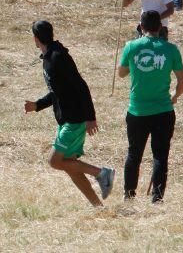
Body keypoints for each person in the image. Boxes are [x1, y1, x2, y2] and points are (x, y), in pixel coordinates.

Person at [23, 20, 115, 207]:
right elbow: (58, 91)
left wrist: (90, 117)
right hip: (66, 118)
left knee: (55, 161)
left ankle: (102, 173)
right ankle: (98, 207)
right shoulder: (49, 57)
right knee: (69, 165)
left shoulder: (58, 57)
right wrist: (37, 105)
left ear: (35, 38)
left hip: (75, 118)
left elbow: (81, 86)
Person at [117, 10, 183, 203]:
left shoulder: (131, 46)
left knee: (134, 153)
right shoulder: (171, 50)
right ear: (160, 28)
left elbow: (121, 73)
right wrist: (174, 96)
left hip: (137, 111)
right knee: (160, 155)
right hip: (163, 111)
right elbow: (182, 82)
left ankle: (129, 194)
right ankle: (157, 198)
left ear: (141, 27)